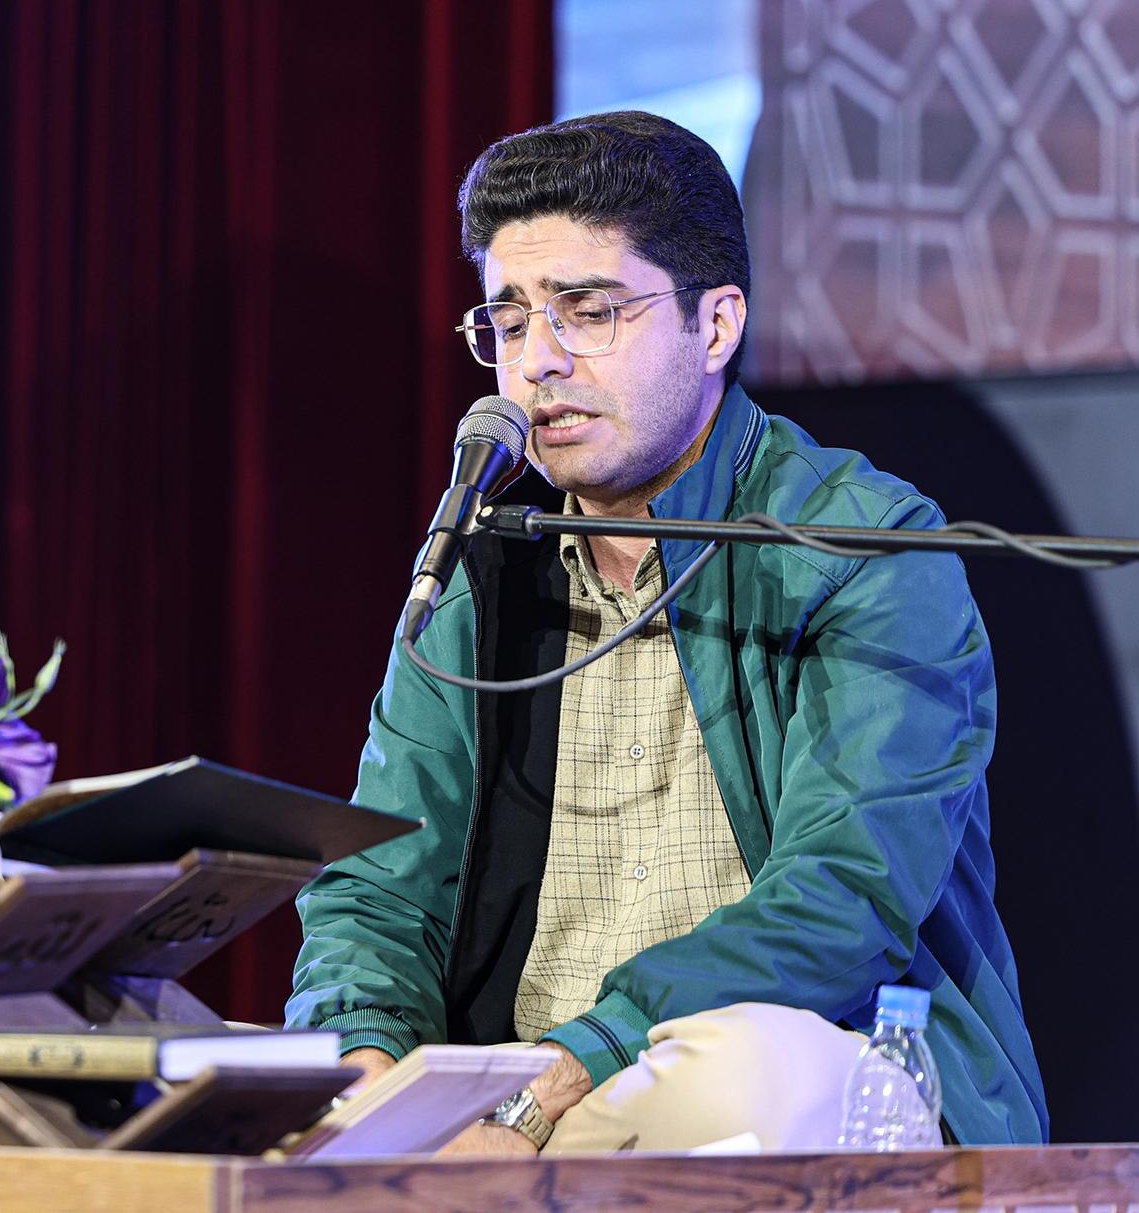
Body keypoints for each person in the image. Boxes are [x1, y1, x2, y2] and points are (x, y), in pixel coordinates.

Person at [286, 111, 1046, 1154]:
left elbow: (843, 900)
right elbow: (377, 886)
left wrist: (555, 1082)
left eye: (588, 313)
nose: (536, 363)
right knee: (199, 1072)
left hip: (761, 1080)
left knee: (754, 1075)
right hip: (508, 1105)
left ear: (716, 324)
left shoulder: (864, 548)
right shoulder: (478, 567)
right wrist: (368, 1074)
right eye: (508, 321)